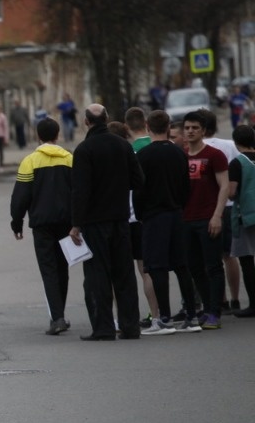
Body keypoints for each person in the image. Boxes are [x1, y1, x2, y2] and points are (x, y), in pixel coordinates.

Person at [69, 104, 144, 341]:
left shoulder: (84, 150)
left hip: (94, 222)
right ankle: (130, 326)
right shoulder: (123, 146)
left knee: (97, 275)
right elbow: (139, 180)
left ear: (86, 122)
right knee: (124, 274)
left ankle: (103, 328)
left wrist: (76, 224)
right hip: (121, 219)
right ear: (107, 119)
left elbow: (81, 191)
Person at [133, 110, 198, 335]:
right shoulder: (179, 153)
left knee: (156, 267)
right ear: (169, 127)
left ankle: (164, 318)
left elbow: (138, 191)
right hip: (176, 213)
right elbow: (186, 187)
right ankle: (191, 316)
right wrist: (179, 205)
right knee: (182, 266)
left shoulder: (143, 156)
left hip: (154, 216)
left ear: (148, 127)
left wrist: (141, 214)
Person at [10, 118, 73, 335]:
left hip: (42, 224)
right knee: (63, 267)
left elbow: (21, 196)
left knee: (49, 270)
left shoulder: (30, 161)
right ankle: (60, 314)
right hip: (66, 223)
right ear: (58, 136)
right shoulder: (69, 159)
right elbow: (78, 192)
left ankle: (57, 318)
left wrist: (16, 222)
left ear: (38, 136)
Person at [181, 111, 230, 329]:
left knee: (213, 266)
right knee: (194, 267)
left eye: (195, 128)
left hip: (209, 218)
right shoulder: (180, 156)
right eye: (187, 127)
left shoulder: (214, 155)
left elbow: (225, 186)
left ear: (203, 131)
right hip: (186, 220)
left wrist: (217, 215)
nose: (190, 131)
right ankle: (206, 308)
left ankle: (214, 313)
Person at [198, 108, 242, 312]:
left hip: (209, 207)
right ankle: (235, 298)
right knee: (229, 255)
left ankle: (220, 299)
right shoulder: (230, 145)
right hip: (230, 206)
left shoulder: (198, 148)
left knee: (210, 258)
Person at [123, 108, 160, 328]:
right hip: (159, 213)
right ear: (146, 123)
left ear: (127, 127)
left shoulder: (130, 152)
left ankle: (152, 313)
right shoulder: (161, 145)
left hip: (134, 217)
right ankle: (164, 313)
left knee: (143, 268)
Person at [228, 125, 255, 317]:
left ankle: (253, 303)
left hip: (245, 215)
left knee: (247, 260)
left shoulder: (237, 163)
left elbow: (231, 191)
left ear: (236, 143)